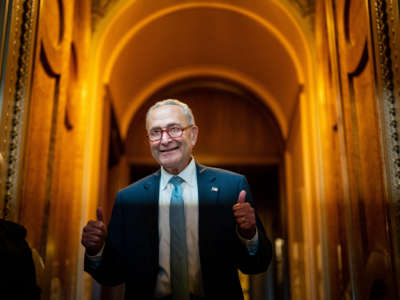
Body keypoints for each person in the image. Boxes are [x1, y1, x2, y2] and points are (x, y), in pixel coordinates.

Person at [81, 99, 272, 300]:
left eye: (174, 129)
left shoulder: (231, 188)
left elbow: (257, 265)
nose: (164, 140)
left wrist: (249, 234)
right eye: (155, 132)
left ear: (194, 135)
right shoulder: (129, 199)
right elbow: (112, 275)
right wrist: (97, 249)